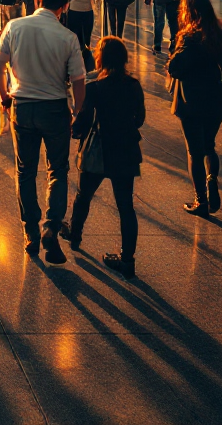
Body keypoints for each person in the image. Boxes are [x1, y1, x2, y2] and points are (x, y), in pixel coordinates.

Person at [0, 0, 87, 263]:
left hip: (22, 106)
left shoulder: (15, 26)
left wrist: (4, 97)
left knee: (25, 171)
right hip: (54, 109)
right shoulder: (68, 37)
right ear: (64, 6)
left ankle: (30, 232)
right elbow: (79, 80)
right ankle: (51, 226)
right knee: (57, 170)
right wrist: (77, 111)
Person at [63, 36, 145, 278]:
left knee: (83, 196)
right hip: (126, 150)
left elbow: (84, 120)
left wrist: (75, 129)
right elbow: (139, 119)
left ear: (101, 58)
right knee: (126, 207)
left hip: (98, 149)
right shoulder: (133, 85)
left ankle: (75, 236)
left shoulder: (95, 86)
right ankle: (127, 260)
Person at [166, 0, 222, 216]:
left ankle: (201, 201)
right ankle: (212, 178)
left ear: (190, 13)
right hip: (215, 101)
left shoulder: (189, 39)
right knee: (209, 146)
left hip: (191, 101)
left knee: (194, 152)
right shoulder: (220, 37)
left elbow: (175, 67)